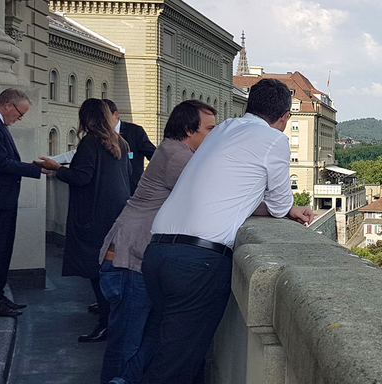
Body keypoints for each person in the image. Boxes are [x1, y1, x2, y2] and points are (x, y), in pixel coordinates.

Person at [142, 78, 314, 383]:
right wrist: (289, 209)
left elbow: (230, 193)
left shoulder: (222, 129)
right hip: (197, 262)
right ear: (285, 117)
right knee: (173, 367)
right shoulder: (275, 140)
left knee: (167, 350)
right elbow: (277, 204)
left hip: (158, 251)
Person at [97, 100, 217, 384]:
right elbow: (214, 195)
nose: (214, 136)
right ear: (190, 130)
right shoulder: (178, 156)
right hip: (130, 260)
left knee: (148, 337)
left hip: (135, 258)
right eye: (210, 129)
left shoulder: (172, 150)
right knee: (126, 345)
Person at [34, 98, 131, 343]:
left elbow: (82, 177)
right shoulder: (119, 142)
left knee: (95, 268)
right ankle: (113, 320)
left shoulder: (90, 142)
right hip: (116, 213)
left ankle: (106, 323)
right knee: (109, 267)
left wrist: (57, 168)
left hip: (94, 215)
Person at [0, 88, 48, 318]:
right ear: (8, 105)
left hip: (1, 195)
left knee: (2, 249)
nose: (20, 118)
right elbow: (1, 163)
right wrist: (36, 169)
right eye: (20, 113)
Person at [103, 99, 155, 195]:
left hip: (131, 189)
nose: (103, 122)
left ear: (115, 115)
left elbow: (153, 154)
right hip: (108, 190)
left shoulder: (134, 131)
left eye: (105, 118)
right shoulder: (100, 134)